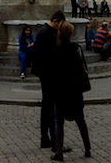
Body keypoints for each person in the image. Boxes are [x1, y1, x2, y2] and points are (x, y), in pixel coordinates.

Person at [50, 20, 91, 161]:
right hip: (75, 91)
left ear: (60, 33)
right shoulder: (76, 49)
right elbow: (82, 69)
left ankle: (59, 152)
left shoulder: (56, 50)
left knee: (59, 122)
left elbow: (53, 73)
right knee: (81, 121)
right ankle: (87, 149)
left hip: (61, 91)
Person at [32, 10, 66, 151]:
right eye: (61, 24)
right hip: (49, 74)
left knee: (46, 107)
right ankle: (54, 141)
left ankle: (45, 138)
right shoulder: (48, 34)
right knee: (52, 108)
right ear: (56, 21)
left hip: (43, 73)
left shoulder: (42, 32)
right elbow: (50, 56)